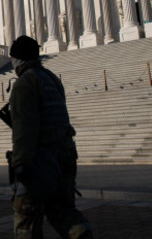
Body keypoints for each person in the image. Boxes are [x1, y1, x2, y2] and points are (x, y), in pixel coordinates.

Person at [8, 35, 93, 239]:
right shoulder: (52, 79)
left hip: (39, 159)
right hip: (65, 154)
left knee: (26, 220)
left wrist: (19, 165)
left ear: (18, 59)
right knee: (63, 212)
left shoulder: (25, 83)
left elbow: (24, 129)